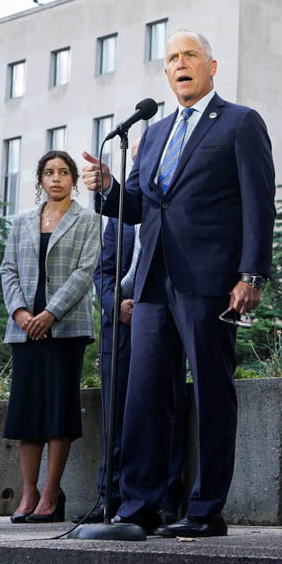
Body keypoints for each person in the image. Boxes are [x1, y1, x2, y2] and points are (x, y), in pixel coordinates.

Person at [81, 30, 275, 537]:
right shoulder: (155, 131)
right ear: (165, 73)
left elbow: (259, 203)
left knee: (210, 393)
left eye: (190, 55)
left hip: (210, 279)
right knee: (144, 396)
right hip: (151, 282)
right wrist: (108, 189)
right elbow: (142, 207)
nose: (181, 64)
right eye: (172, 58)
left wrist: (251, 274)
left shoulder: (240, 122)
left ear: (212, 66)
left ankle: (205, 510)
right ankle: (140, 506)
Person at [0, 150, 100, 523]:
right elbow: (7, 270)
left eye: (62, 172)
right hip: (25, 331)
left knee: (58, 412)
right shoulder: (22, 222)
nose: (55, 178)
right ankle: (28, 494)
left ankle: (52, 495)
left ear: (73, 179)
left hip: (65, 329)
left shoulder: (88, 221)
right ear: (40, 180)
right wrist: (22, 314)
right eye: (48, 172)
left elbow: (84, 271)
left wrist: (49, 313)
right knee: (26, 414)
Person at [75, 215, 189, 523]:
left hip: (164, 320)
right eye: (136, 161)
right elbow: (104, 271)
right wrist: (116, 304)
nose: (139, 163)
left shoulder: (170, 208)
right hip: (121, 326)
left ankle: (166, 498)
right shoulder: (120, 217)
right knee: (115, 414)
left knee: (166, 409)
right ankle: (109, 497)